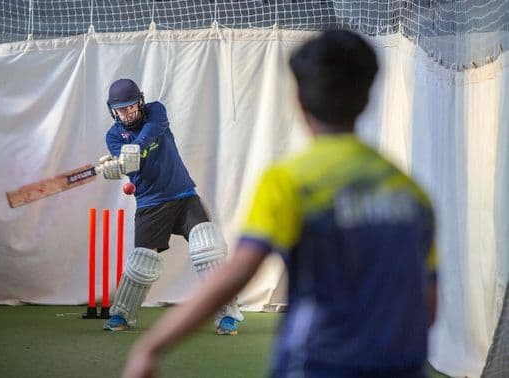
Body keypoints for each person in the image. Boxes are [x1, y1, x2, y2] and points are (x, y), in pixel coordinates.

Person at [121, 30, 438, 378]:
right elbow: (428, 300)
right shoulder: (411, 193)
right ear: (367, 98)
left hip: (318, 363)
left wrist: (152, 346)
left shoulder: (289, 181)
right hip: (402, 364)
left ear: (299, 100)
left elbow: (238, 272)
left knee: (207, 250)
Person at [97, 78, 243, 335]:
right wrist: (118, 165)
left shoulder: (155, 111)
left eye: (132, 106)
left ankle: (227, 316)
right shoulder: (113, 136)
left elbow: (152, 130)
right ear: (113, 110)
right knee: (142, 263)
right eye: (121, 109)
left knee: (208, 247)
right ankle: (121, 315)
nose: (128, 112)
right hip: (151, 203)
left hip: (183, 195)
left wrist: (135, 149)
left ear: (140, 102)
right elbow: (131, 166)